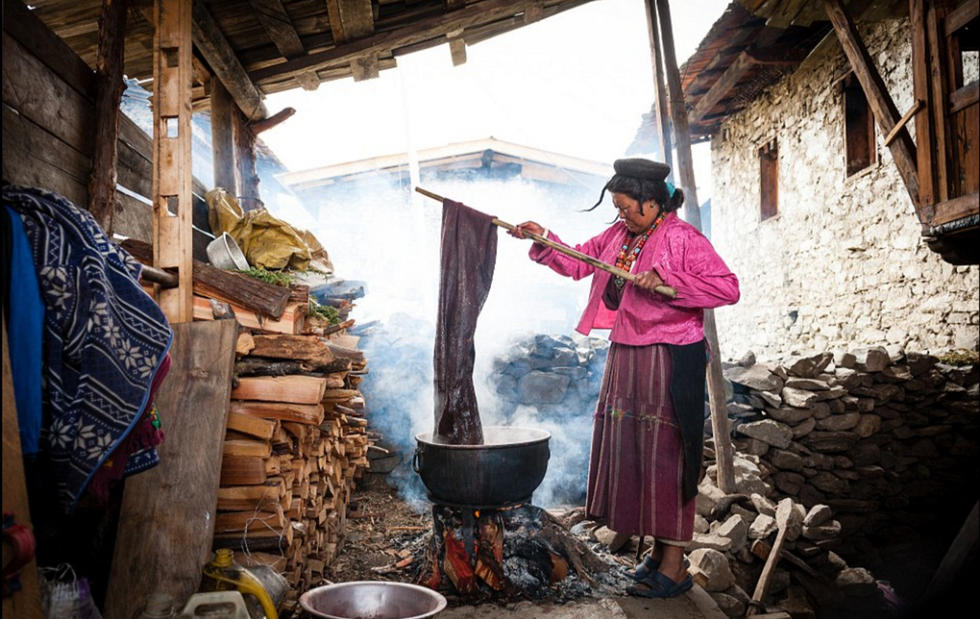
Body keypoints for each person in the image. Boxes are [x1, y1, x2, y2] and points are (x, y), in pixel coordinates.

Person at [509, 158, 739, 598]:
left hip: (671, 356)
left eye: (629, 207)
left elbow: (727, 287)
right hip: (628, 354)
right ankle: (656, 555)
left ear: (653, 202)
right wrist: (543, 238)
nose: (622, 215)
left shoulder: (682, 237)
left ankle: (674, 566)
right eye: (617, 208)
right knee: (637, 453)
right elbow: (577, 262)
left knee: (668, 456)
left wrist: (669, 279)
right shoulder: (618, 236)